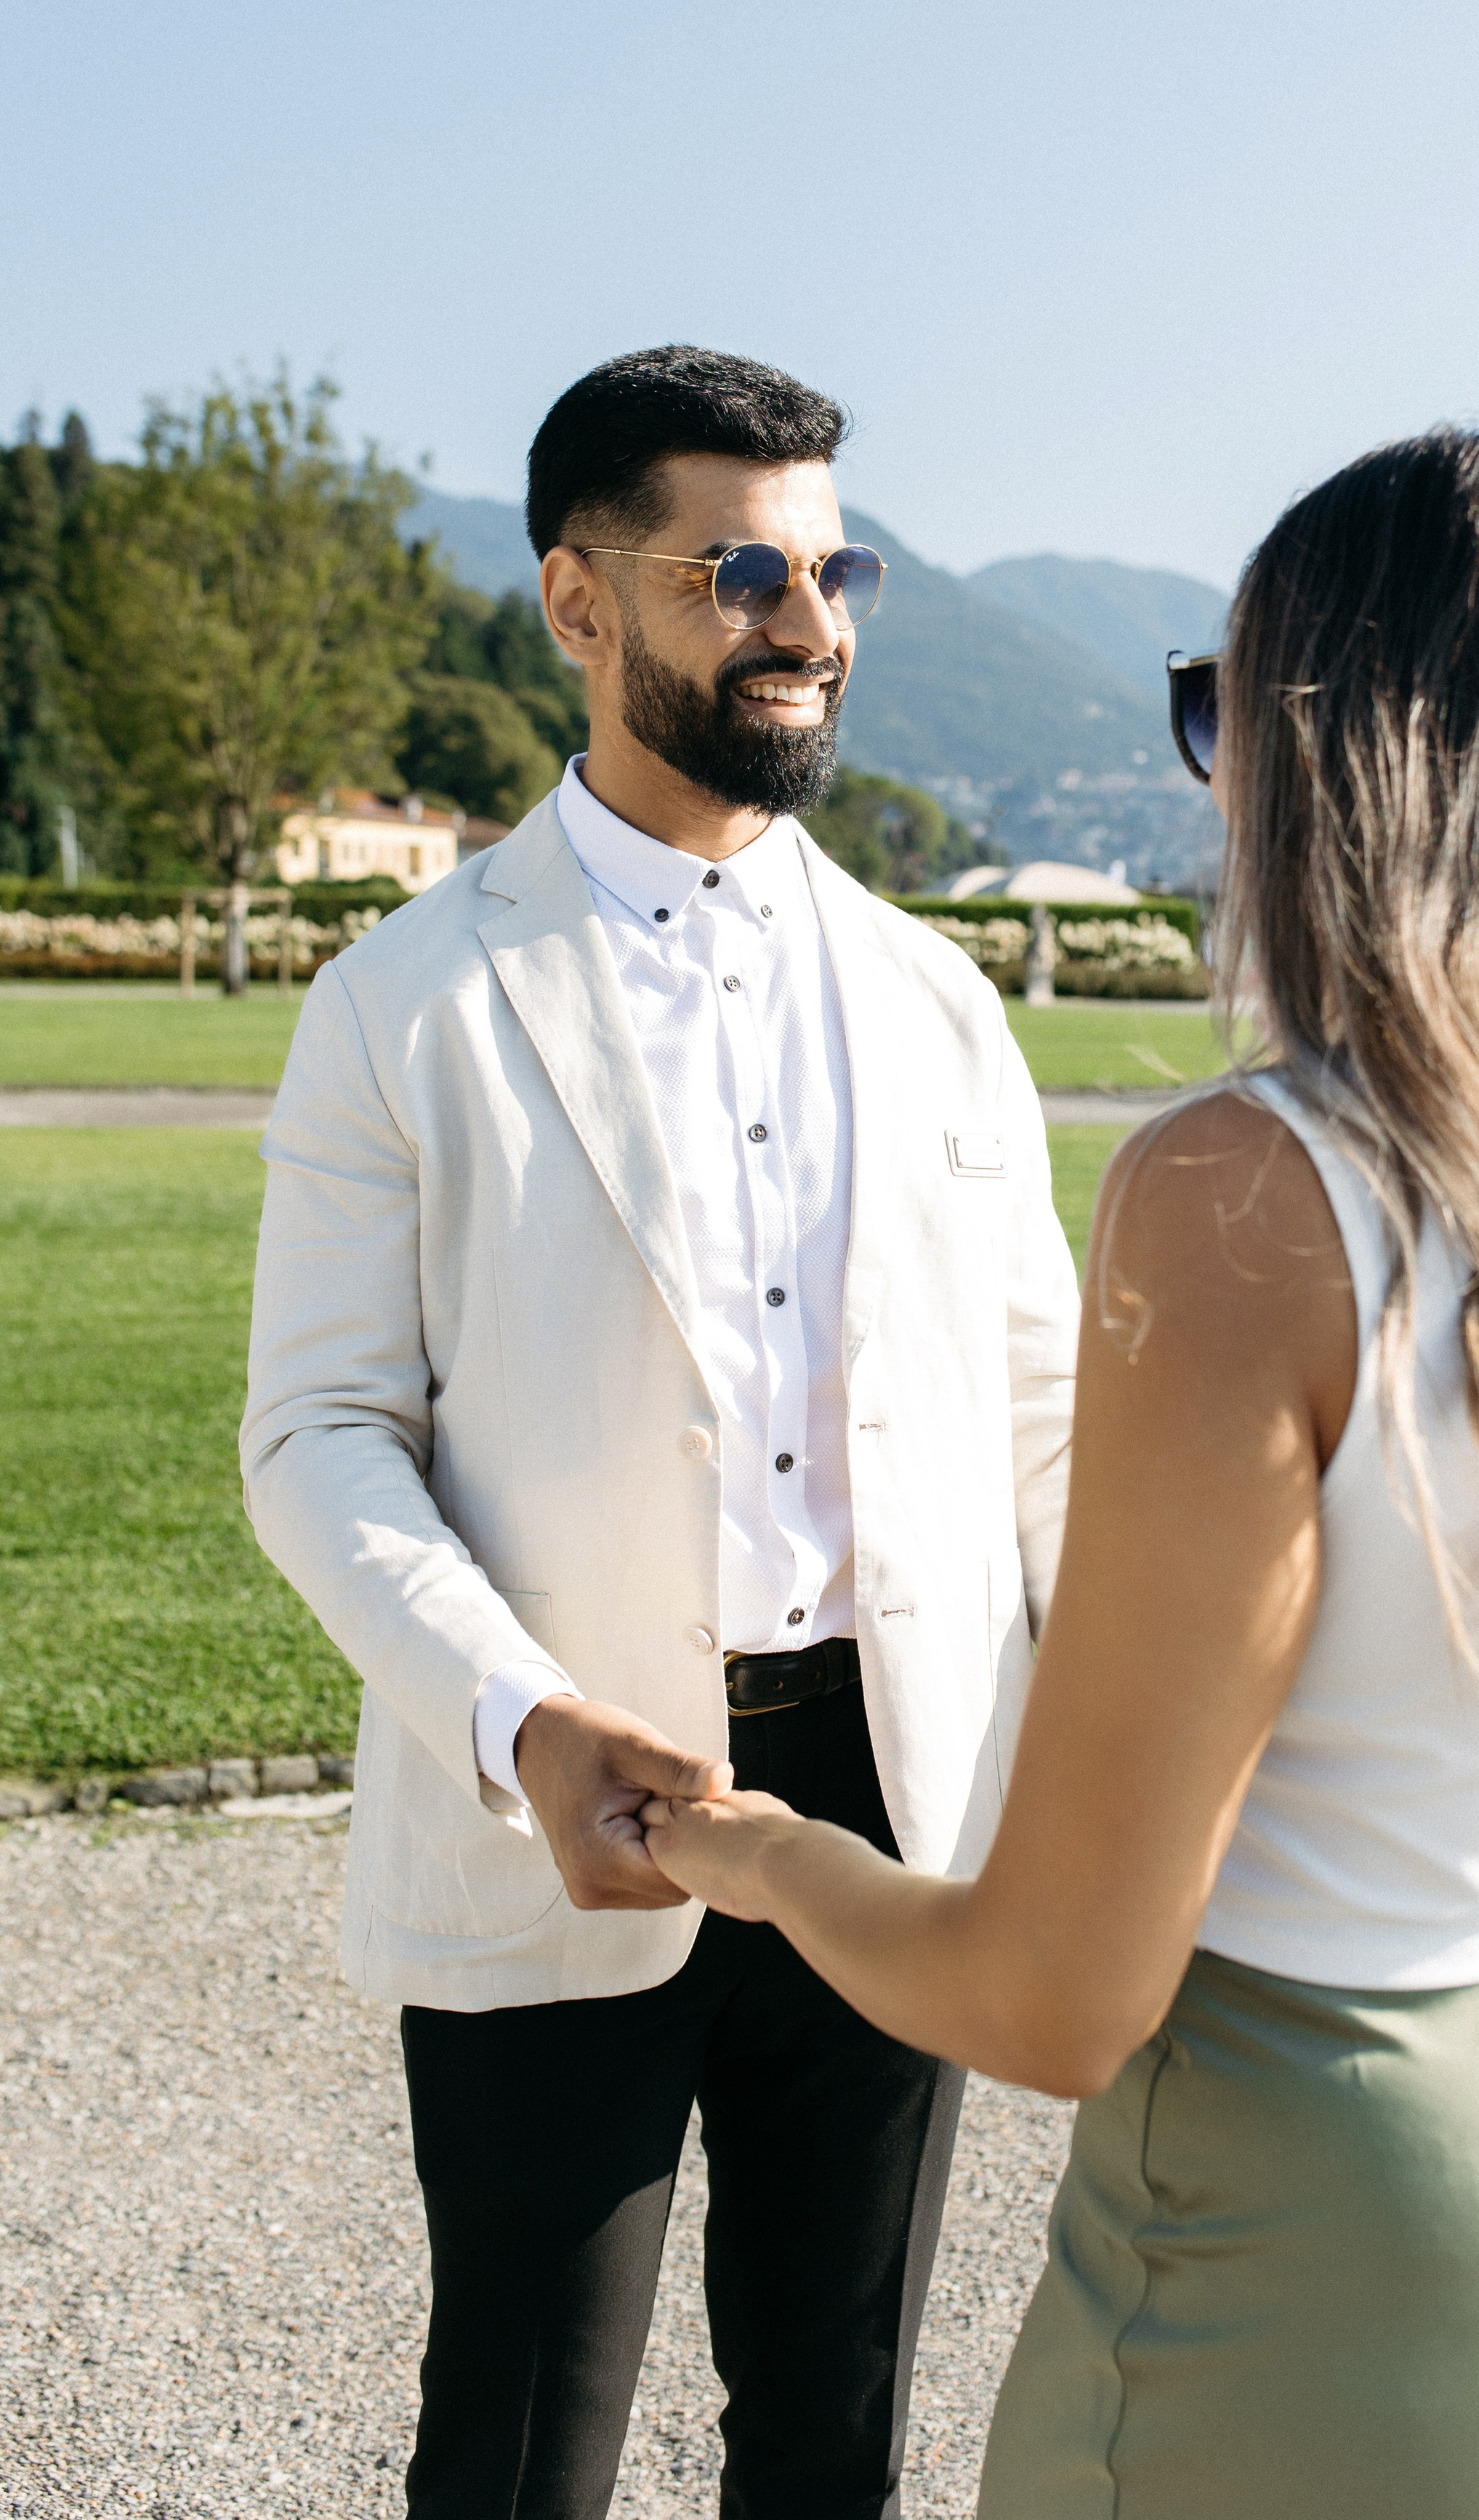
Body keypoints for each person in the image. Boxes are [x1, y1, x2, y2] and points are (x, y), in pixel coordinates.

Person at [642, 427, 1479, 2519]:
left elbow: (1051, 1994)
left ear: (1320, 749)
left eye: (1223, 707)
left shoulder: (1247, 1196)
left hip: (1324, 2220)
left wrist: (748, 1858)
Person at [239, 343, 1079, 2520]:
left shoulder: (939, 1001)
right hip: (563, 1798)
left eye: (833, 568)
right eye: (740, 572)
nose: (810, 624)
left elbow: (1043, 1418)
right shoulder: (399, 1002)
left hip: (897, 1800)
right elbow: (319, 1436)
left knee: (838, 2429)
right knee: (520, 2448)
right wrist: (515, 1721)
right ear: (577, 603)